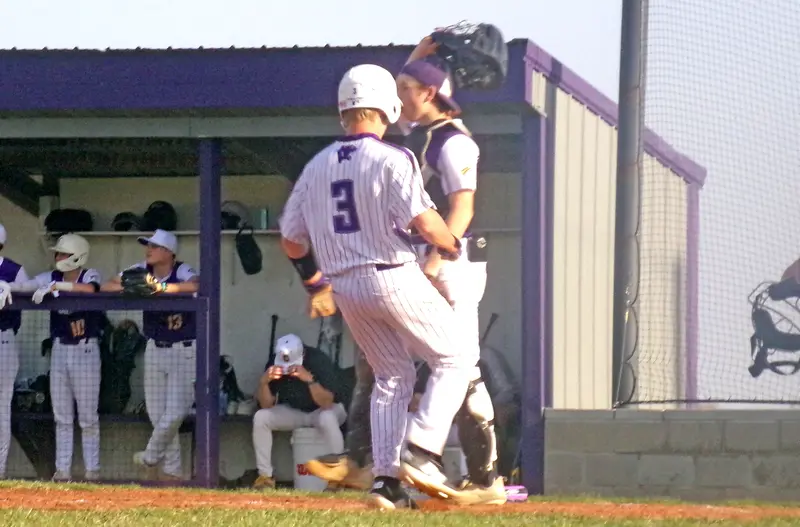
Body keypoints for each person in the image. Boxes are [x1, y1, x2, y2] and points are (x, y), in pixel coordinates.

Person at [306, 37, 506, 506]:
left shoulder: (453, 142)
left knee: (457, 366)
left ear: (429, 93)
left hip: (449, 265)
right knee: (395, 368)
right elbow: (413, 83)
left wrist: (437, 260)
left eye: (406, 87)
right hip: (414, 265)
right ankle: (391, 471)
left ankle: (435, 462)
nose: (399, 95)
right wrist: (424, 49)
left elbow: (463, 207)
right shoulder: (421, 134)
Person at [277, 62, 475, 510]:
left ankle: (386, 482)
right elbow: (426, 224)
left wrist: (314, 284)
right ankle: (423, 451)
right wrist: (451, 245)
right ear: (384, 106)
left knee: (392, 376)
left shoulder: (316, 166)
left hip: (346, 287)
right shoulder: (393, 157)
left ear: (343, 109)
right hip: (392, 274)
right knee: (457, 355)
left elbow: (290, 239)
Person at [101, 229, 198, 481]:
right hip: (156, 347)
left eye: (154, 246)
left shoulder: (182, 270)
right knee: (157, 414)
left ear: (168, 252)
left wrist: (162, 288)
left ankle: (151, 457)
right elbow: (108, 284)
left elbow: (197, 285)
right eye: (148, 246)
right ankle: (173, 472)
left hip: (184, 348)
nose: (149, 250)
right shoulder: (141, 268)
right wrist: (133, 289)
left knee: (176, 412)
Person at [21, 234, 104, 481]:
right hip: (60, 348)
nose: (58, 258)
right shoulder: (51, 277)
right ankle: (62, 471)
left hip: (85, 348)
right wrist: (7, 286)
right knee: (62, 415)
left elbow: (90, 290)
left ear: (77, 256)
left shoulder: (89, 275)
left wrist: (60, 287)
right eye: (58, 254)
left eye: (63, 254)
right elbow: (28, 285)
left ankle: (92, 471)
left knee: (88, 416)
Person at [251, 333, 346, 489]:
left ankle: (338, 476)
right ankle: (265, 477)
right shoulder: (275, 361)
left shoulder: (318, 359)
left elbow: (327, 402)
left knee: (327, 417)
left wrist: (309, 380)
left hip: (324, 410)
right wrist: (264, 383)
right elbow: (266, 404)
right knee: (261, 417)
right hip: (295, 411)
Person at [0, 224, 29, 479]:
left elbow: (32, 290)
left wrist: (13, 287)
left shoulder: (14, 270)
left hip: (4, 340)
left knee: (1, 407)